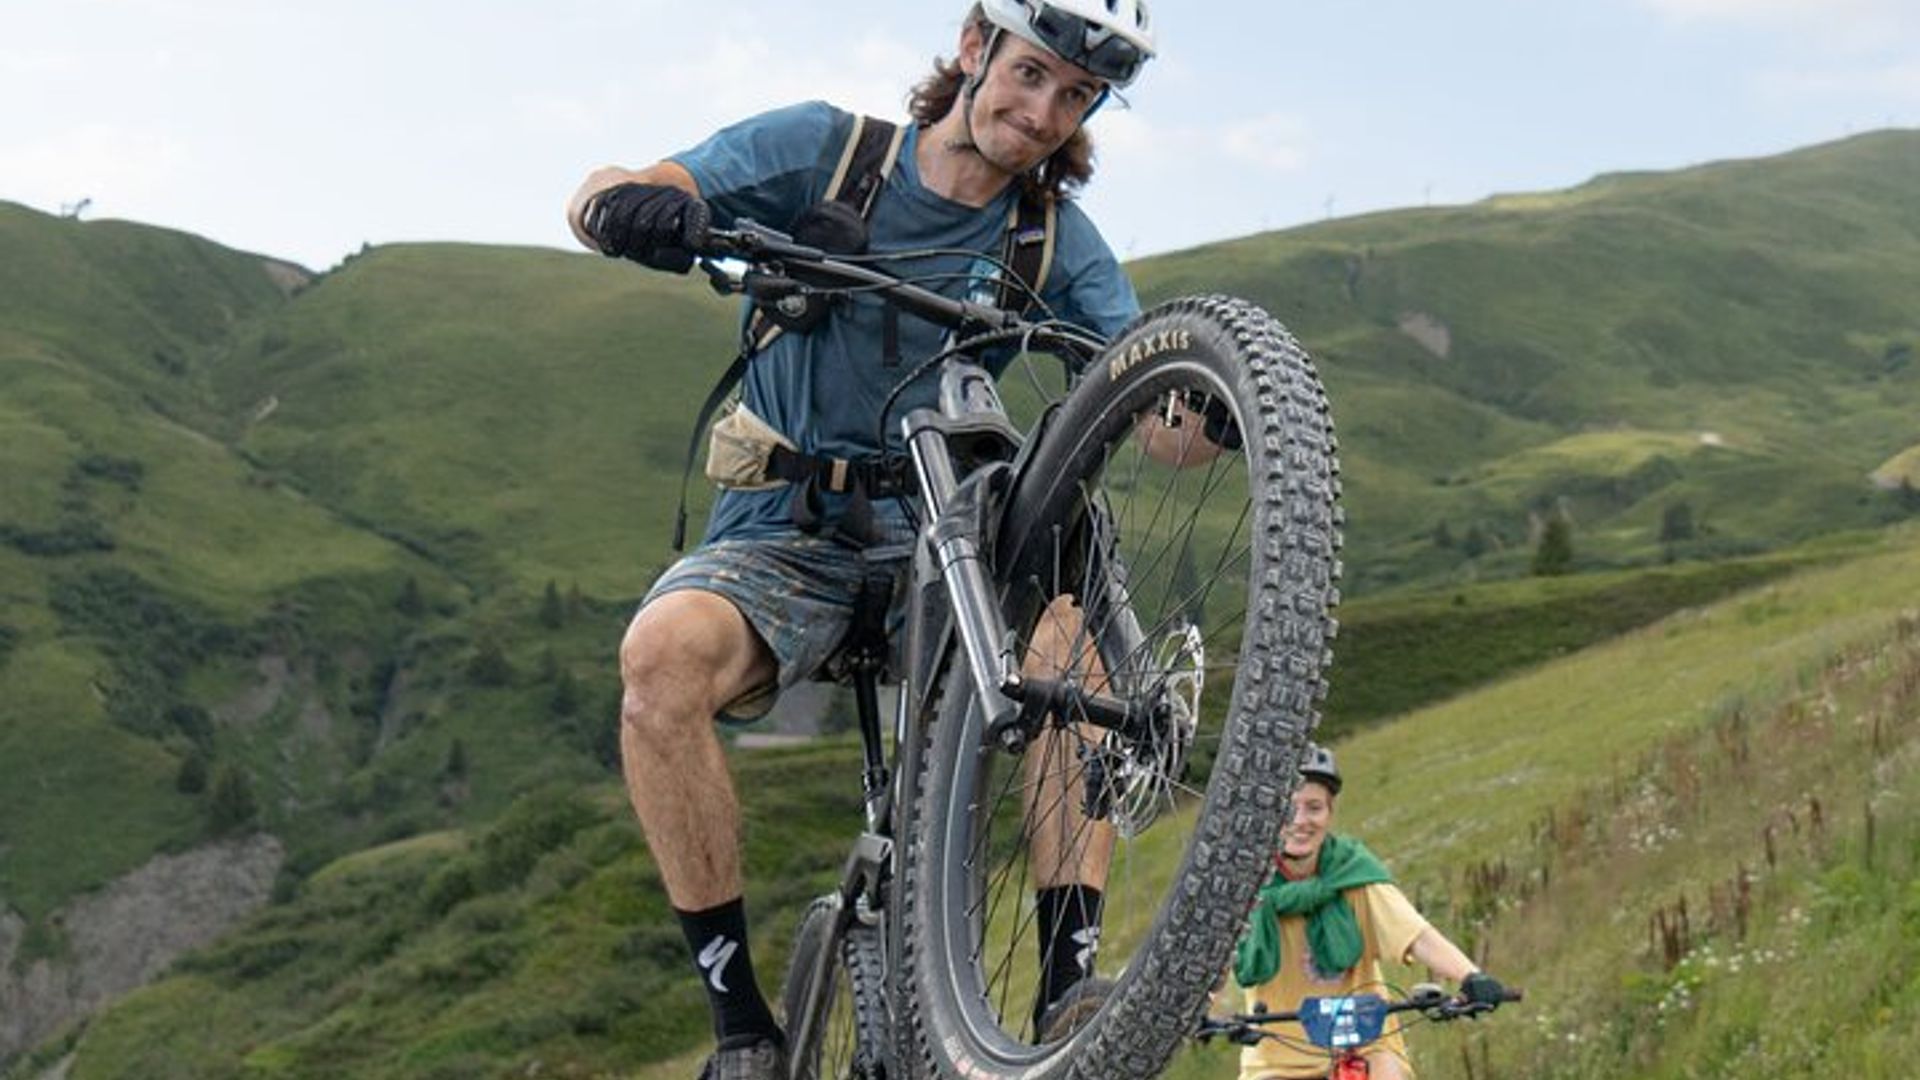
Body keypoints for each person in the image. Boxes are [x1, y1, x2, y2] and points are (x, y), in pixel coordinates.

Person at [563, 3, 1157, 1076]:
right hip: (785, 531)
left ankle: (1068, 983)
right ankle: (741, 1025)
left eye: (1075, 96)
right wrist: (627, 208)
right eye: (1030, 74)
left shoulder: (1052, 240)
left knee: (1067, 651)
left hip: (949, 542)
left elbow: (1156, 412)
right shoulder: (825, 154)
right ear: (974, 49)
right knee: (660, 662)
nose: (1043, 114)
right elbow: (612, 188)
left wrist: (1206, 408)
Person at [1231, 746, 1508, 1080]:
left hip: (1364, 1043)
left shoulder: (1354, 875)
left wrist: (1470, 976)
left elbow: (1417, 936)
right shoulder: (1242, 890)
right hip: (1277, 1058)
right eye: (1288, 810)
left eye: (1314, 808)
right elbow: (1206, 965)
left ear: (1330, 813)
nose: (1300, 821)